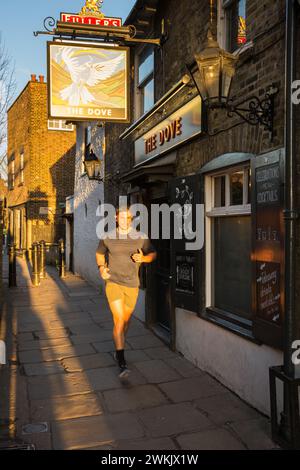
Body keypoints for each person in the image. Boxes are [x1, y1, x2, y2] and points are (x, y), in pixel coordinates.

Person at [96, 205, 157, 378]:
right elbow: (99, 254)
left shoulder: (140, 237)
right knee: (119, 321)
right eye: (122, 218)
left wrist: (143, 258)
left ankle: (119, 343)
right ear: (116, 218)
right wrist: (101, 268)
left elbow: (153, 253)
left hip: (132, 284)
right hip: (113, 282)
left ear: (131, 220)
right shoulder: (108, 237)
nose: (125, 221)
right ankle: (121, 362)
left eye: (128, 218)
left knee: (126, 321)